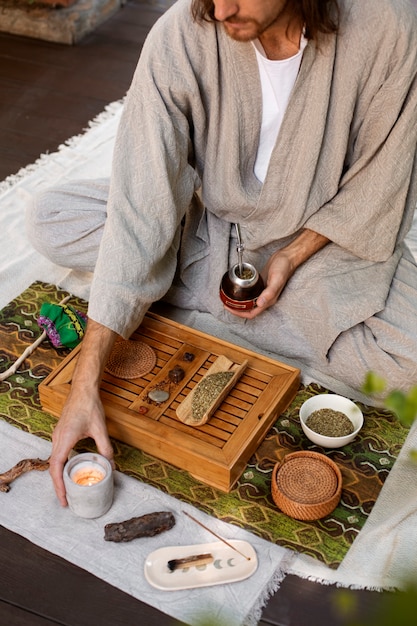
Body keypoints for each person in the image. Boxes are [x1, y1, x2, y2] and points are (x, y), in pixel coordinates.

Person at [26, 0, 417, 505]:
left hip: (321, 243)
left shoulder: (387, 25)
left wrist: (291, 257)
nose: (220, 9)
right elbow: (143, 196)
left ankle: (169, 288)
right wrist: (85, 379)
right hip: (209, 226)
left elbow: (379, 184)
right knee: (50, 218)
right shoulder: (181, 33)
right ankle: (184, 286)